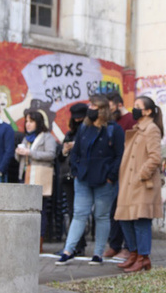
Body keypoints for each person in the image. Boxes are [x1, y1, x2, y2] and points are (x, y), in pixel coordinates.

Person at [55, 94, 124, 266]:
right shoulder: (84, 128)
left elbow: (119, 156)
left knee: (101, 216)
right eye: (90, 106)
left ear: (102, 110)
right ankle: (68, 250)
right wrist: (76, 170)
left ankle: (98, 254)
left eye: (94, 106)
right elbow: (76, 151)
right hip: (83, 179)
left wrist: (111, 177)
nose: (90, 109)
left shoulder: (113, 129)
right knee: (79, 214)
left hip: (104, 181)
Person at [114, 96, 164, 273]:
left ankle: (143, 257)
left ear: (148, 111)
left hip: (143, 184)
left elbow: (155, 157)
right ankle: (134, 254)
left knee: (141, 222)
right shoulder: (137, 129)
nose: (133, 109)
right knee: (125, 220)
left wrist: (140, 175)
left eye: (137, 106)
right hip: (129, 184)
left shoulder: (151, 129)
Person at [103, 92, 137, 260]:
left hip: (128, 171)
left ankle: (128, 248)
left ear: (118, 104)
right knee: (114, 210)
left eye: (109, 107)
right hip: (116, 171)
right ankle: (114, 245)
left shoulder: (131, 120)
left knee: (125, 210)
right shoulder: (112, 123)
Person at [15, 110, 56, 253]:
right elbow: (19, 160)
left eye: (31, 121)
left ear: (38, 123)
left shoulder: (46, 137)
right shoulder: (26, 138)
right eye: (26, 121)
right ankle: (26, 240)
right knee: (25, 210)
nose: (28, 124)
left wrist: (30, 152)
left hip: (39, 177)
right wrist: (19, 152)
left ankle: (39, 242)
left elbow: (51, 154)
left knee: (40, 210)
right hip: (25, 176)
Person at [57, 103, 88, 255]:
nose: (78, 121)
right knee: (72, 211)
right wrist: (64, 150)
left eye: (80, 118)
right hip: (68, 177)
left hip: (83, 176)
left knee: (80, 212)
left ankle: (78, 245)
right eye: (75, 118)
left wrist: (78, 146)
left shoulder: (89, 132)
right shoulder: (70, 134)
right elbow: (59, 158)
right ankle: (75, 244)